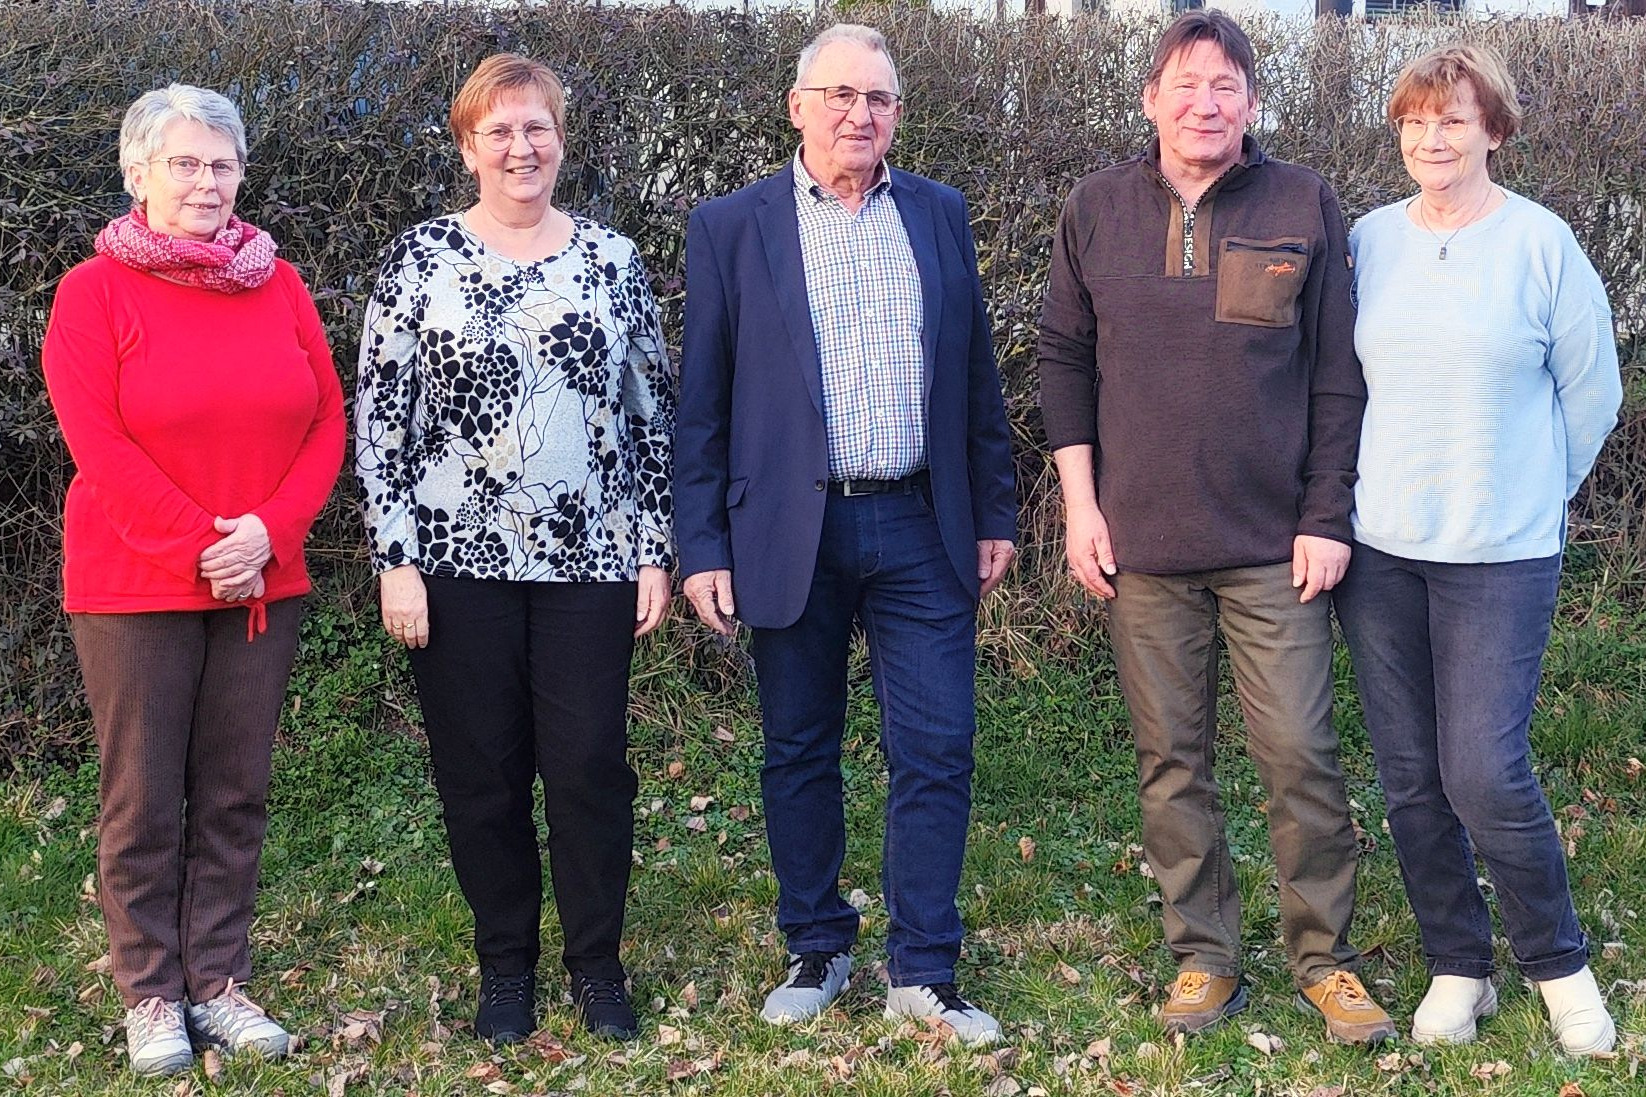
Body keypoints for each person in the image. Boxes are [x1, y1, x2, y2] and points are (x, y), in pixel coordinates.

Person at [1037, 11, 1394, 1044]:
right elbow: (1062, 360)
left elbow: (1337, 374)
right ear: (1148, 97)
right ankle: (1203, 954)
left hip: (1272, 549)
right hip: (1142, 549)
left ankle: (1322, 957)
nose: (1204, 102)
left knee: (1298, 757)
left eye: (1224, 86)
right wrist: (1078, 506)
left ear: (1249, 101)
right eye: (1184, 84)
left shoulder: (1299, 202)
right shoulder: (1095, 208)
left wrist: (1327, 513)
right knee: (1169, 760)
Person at [675, 22, 1017, 1046]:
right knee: (797, 744)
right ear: (796, 106)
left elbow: (974, 379)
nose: (857, 115)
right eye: (837, 95)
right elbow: (703, 402)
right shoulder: (732, 225)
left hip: (921, 521)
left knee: (937, 744)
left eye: (876, 99)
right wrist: (702, 543)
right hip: (789, 527)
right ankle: (817, 944)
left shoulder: (937, 214)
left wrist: (994, 510)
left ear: (896, 115)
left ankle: (923, 966)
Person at [354, 53, 673, 1045]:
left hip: (591, 562)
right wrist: (394, 557)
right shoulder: (419, 262)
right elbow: (380, 419)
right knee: (479, 774)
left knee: (586, 767)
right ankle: (505, 968)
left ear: (560, 140)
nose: (520, 146)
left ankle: (595, 963)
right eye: (498, 130)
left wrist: (654, 548)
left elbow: (653, 414)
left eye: (535, 127)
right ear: (467, 146)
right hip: (453, 565)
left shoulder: (612, 262)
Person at [40, 84, 344, 1076]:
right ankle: (149, 991)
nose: (206, 181)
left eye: (221, 164)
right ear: (138, 175)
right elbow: (100, 441)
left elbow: (324, 421)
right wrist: (202, 545)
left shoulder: (281, 283)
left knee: (233, 792)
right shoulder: (93, 293)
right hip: (134, 585)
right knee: (140, 797)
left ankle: (216, 979)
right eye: (184, 163)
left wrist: (266, 533)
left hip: (264, 579)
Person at [1332, 44, 1622, 1055]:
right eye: (1414, 121)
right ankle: (1459, 962)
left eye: (1452, 119)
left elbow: (1593, 394)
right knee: (1410, 774)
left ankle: (1557, 964)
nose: (1430, 139)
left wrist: (1533, 493)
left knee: (1485, 769)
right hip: (1380, 552)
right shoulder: (1368, 241)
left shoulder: (1540, 247)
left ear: (1492, 130)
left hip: (1498, 553)